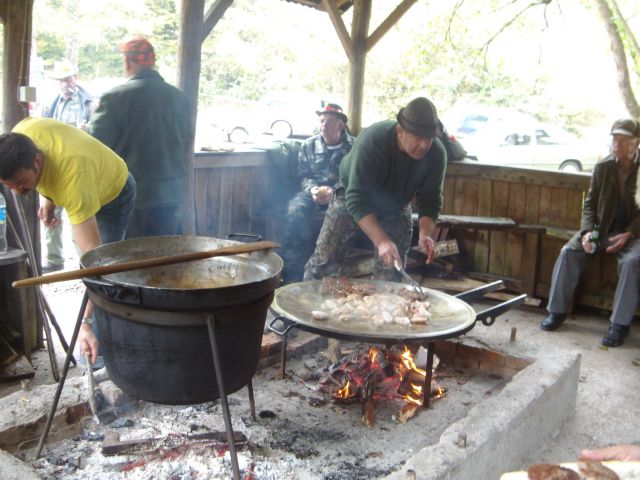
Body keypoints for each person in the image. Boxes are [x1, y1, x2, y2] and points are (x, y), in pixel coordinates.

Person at [0, 117, 136, 366]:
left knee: (106, 273)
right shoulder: (22, 135)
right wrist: (48, 198)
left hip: (114, 192)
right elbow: (53, 155)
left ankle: (98, 355)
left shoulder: (74, 180)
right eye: (10, 186)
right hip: (80, 177)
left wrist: (84, 323)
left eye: (20, 183)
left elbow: (96, 265)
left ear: (37, 162)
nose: (18, 191)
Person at [303, 96, 447, 281]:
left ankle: (383, 308)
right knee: (323, 264)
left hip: (396, 205)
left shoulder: (436, 154)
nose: (424, 145)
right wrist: (381, 240)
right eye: (418, 138)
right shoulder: (373, 140)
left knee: (391, 271)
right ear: (400, 131)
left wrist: (426, 234)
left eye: (429, 139)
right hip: (352, 196)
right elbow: (357, 198)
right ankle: (306, 304)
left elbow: (431, 199)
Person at [541, 118, 640, 347]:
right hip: (601, 229)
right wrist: (587, 232)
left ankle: (619, 325)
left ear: (635, 143)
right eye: (615, 139)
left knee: (633, 261)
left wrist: (629, 234)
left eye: (623, 140)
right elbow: (590, 204)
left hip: (632, 234)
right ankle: (556, 311)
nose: (617, 144)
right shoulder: (603, 167)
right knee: (569, 252)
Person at [89, 36, 192, 238]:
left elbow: (94, 146)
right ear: (152, 61)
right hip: (172, 194)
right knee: (166, 255)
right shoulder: (179, 97)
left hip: (131, 197)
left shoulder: (114, 98)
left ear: (127, 62)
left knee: (129, 258)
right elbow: (187, 140)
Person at [280, 103, 354, 282]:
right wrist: (313, 190)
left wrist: (334, 190)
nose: (324, 126)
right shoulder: (308, 145)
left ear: (340, 125)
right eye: (322, 121)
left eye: (329, 122)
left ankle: (327, 274)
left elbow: (355, 176)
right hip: (313, 192)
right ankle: (292, 273)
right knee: (294, 210)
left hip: (343, 194)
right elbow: (303, 175)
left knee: (340, 216)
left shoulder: (354, 146)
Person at [42, 60, 95, 273]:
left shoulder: (89, 102)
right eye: (60, 80)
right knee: (50, 214)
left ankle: (85, 262)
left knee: (79, 215)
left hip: (78, 167)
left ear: (76, 78)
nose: (64, 84)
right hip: (53, 166)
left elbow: (97, 134)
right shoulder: (52, 104)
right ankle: (54, 259)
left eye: (67, 79)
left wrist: (86, 129)